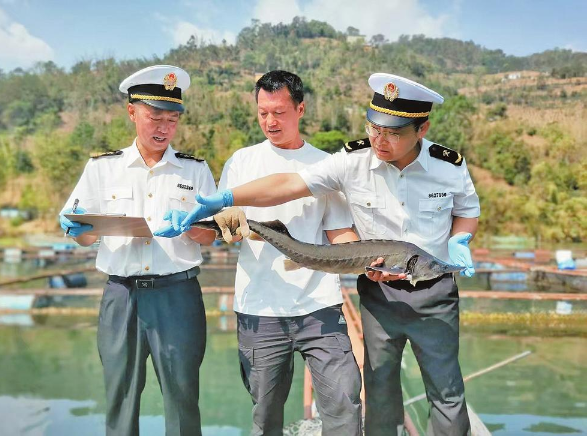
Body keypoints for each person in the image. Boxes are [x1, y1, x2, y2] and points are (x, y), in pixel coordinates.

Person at [179, 73, 479, 436]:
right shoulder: (351, 161)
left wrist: (460, 239)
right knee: (378, 389)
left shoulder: (448, 165)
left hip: (428, 294)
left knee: (443, 392)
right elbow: (290, 183)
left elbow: (466, 211)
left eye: (393, 133)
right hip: (374, 295)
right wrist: (226, 199)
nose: (380, 140)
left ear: (422, 129)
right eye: (374, 129)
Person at [160, 70, 363, 435]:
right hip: (260, 308)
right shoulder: (242, 162)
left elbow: (340, 234)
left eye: (279, 112)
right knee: (266, 414)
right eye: (263, 112)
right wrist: (201, 226)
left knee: (344, 404)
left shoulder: (325, 166)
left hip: (319, 304)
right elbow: (226, 226)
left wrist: (371, 259)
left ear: (300, 109)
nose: (270, 121)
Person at [59, 65, 216, 436]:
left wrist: (190, 226)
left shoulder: (195, 171)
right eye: (154, 117)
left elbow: (210, 236)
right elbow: (83, 234)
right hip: (122, 296)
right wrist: (78, 229)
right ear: (132, 112)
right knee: (120, 397)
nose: (163, 127)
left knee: (182, 398)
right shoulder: (102, 168)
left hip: (178, 295)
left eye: (172, 120)